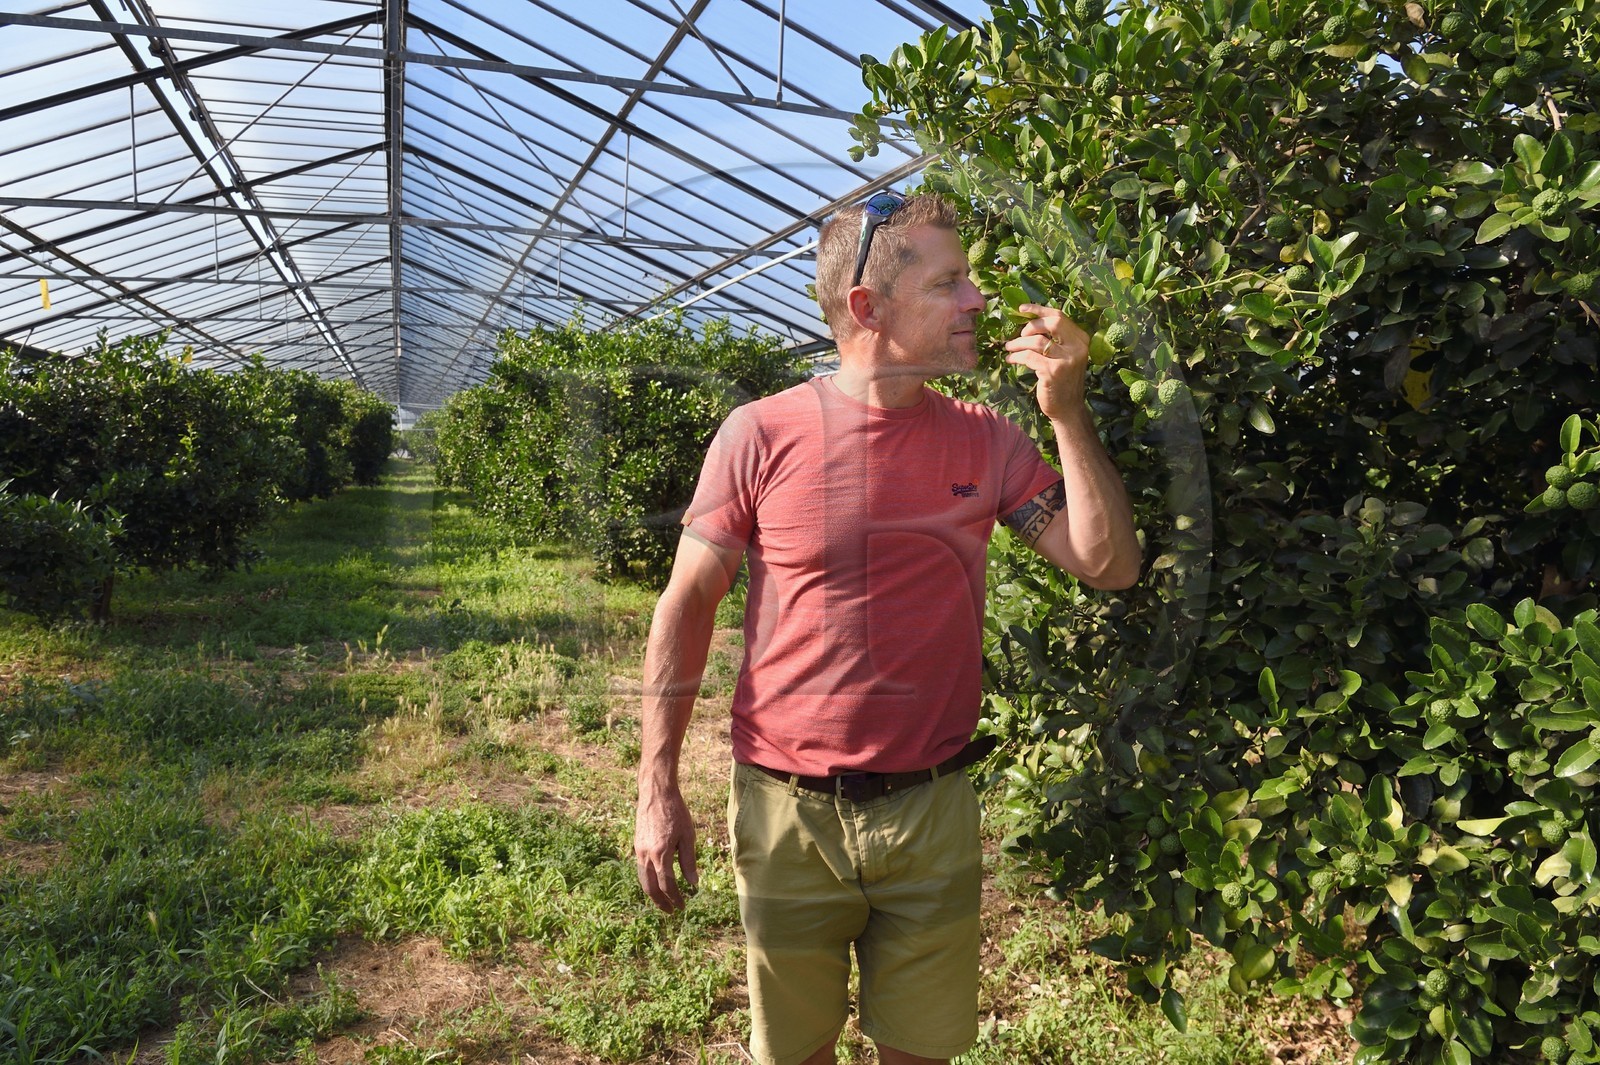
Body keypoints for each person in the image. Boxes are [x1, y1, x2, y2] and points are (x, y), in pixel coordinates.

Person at [633, 190, 1141, 1065]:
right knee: (796, 1053)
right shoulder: (759, 434)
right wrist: (657, 786)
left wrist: (1065, 411)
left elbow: (1109, 564)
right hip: (787, 814)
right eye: (950, 283)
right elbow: (686, 603)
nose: (977, 300)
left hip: (932, 810)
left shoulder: (987, 440)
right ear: (868, 308)